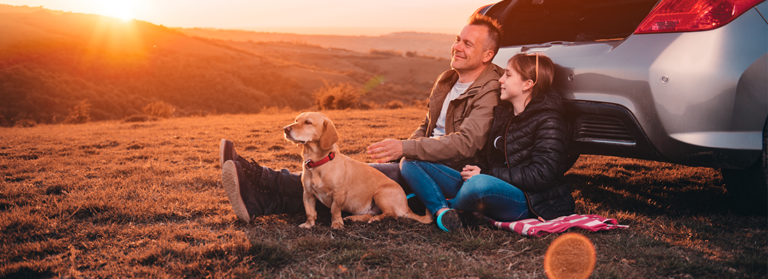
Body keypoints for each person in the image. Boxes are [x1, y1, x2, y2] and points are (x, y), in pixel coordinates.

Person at [219, 14, 506, 222]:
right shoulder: (448, 80)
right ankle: (262, 197)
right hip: (419, 161)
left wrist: (406, 150)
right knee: (343, 180)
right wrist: (408, 147)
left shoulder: (489, 90)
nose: (457, 47)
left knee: (346, 180)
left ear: (487, 54)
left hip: (446, 171)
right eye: (458, 39)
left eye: (468, 44)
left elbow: (466, 143)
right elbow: (427, 126)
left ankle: (260, 181)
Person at [401, 53, 576, 232]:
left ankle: (436, 202)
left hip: (529, 200)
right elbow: (490, 159)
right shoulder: (504, 115)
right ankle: (443, 212)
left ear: (527, 84)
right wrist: (474, 169)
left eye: (508, 75)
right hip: (490, 184)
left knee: (479, 185)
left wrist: (485, 174)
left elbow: (541, 175)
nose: (500, 80)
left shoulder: (550, 121)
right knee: (410, 160)